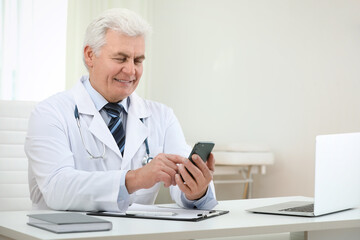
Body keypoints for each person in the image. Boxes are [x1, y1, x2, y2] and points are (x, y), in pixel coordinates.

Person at [25, 8, 217, 212]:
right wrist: (135, 179)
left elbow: (182, 181)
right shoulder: (49, 113)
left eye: (138, 60)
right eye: (120, 58)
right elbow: (57, 190)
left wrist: (195, 190)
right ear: (90, 56)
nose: (131, 70)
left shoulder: (162, 116)